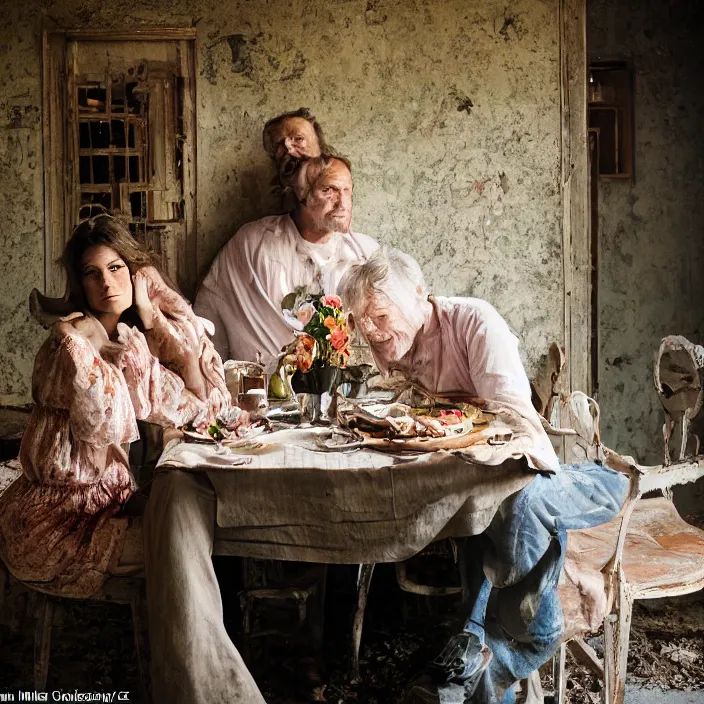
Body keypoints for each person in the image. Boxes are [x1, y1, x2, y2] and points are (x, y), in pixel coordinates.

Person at [338, 248, 629, 704]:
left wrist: (442, 430)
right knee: (484, 510)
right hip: (479, 484)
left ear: (419, 294)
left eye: (377, 315)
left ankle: (518, 630)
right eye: (360, 321)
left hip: (538, 473)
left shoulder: (474, 323)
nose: (369, 331)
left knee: (513, 504)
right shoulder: (397, 344)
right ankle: (473, 664)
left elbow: (515, 429)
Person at [0, 214, 265, 703]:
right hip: (52, 523)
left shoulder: (132, 342)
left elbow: (201, 405)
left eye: (117, 268)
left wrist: (151, 310)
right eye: (92, 273)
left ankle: (211, 671)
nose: (106, 283)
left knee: (206, 521)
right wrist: (92, 346)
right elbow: (101, 422)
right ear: (78, 284)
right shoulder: (67, 344)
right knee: (183, 546)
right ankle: (205, 688)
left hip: (103, 504)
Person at [194, 154, 378, 365]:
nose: (343, 204)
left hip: (344, 391)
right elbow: (210, 309)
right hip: (266, 387)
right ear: (301, 196)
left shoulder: (364, 253)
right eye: (328, 191)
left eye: (347, 191)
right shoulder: (255, 244)